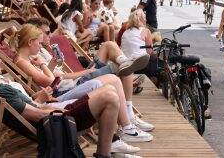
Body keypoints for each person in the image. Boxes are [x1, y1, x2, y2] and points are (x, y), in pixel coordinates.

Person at [0, 42, 119, 158]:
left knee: (110, 89)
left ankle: (109, 146)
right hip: (57, 120)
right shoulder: (1, 91)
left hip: (50, 110)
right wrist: (66, 109)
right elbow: (38, 114)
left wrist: (42, 100)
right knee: (110, 96)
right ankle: (105, 152)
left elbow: (31, 107)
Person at [9, 24, 154, 143]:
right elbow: (51, 82)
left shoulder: (28, 59)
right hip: (60, 94)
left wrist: (50, 64)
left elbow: (51, 79)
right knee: (118, 74)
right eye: (39, 43)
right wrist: (43, 65)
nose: (41, 47)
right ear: (30, 42)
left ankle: (127, 123)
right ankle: (127, 124)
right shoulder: (24, 62)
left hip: (66, 87)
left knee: (114, 55)